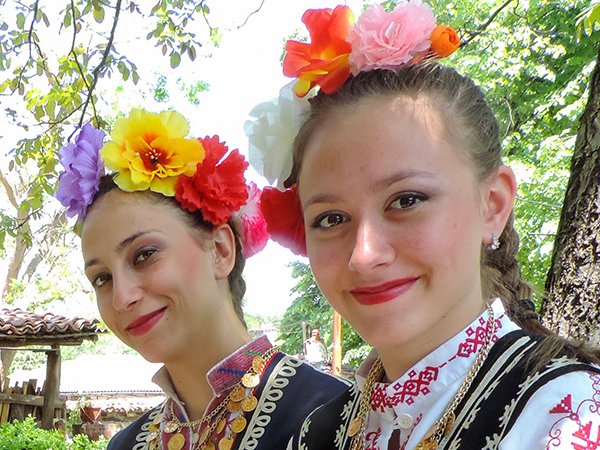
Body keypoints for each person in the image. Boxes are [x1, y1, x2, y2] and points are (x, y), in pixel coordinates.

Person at [245, 3, 600, 449]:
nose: (364, 254)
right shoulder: (317, 434)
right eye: (331, 219)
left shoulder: (564, 416)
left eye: (406, 201)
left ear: (492, 204)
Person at [55, 108, 351, 450]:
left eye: (144, 254)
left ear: (221, 251)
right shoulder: (126, 444)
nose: (122, 298)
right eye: (102, 278)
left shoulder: (335, 418)